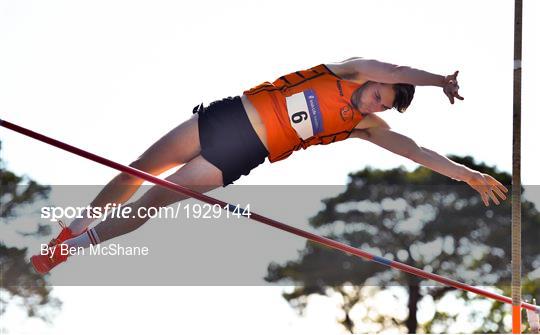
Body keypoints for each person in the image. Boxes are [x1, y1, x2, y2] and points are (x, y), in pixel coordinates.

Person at [30, 57, 508, 274]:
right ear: (374, 80)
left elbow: (416, 152)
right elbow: (402, 73)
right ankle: (72, 230)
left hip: (240, 153)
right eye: (379, 95)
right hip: (229, 118)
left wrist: (468, 176)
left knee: (158, 199)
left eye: (381, 105)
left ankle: (80, 246)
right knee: (140, 167)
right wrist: (437, 80)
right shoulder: (350, 69)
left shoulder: (366, 126)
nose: (374, 103)